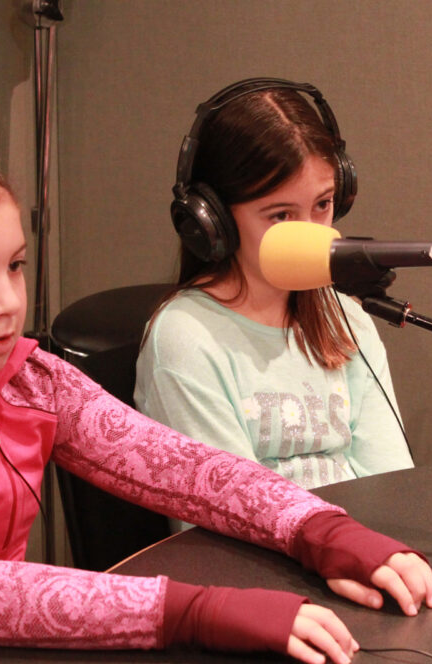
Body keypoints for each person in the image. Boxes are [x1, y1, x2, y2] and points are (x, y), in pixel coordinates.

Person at [0, 125, 432, 664]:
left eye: (14, 265)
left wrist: (321, 530)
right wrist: (201, 612)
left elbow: (181, 467)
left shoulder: (25, 378)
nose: (6, 302)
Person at [135, 78, 413, 490]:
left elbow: (390, 484)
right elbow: (235, 509)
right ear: (215, 223)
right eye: (281, 215)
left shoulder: (347, 320)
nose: (310, 231)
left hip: (361, 545)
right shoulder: (186, 339)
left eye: (323, 204)